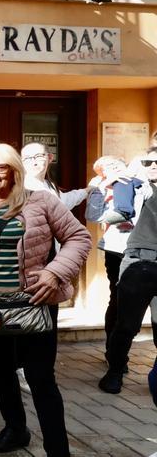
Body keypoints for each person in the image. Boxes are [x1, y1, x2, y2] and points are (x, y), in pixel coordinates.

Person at [0, 144, 91, 457]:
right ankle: (16, 430)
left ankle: (57, 448)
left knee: (40, 377)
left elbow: (78, 237)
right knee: (2, 372)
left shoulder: (41, 201)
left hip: (36, 302)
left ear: (14, 170)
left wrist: (54, 272)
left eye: (0, 166)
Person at [100, 148, 157, 394]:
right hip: (138, 262)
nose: (154, 165)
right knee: (127, 325)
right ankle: (115, 371)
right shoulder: (135, 186)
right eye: (148, 161)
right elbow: (120, 209)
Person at [85, 155, 137, 363]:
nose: (113, 169)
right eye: (105, 167)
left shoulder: (139, 182)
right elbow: (93, 216)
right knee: (118, 298)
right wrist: (101, 187)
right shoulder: (101, 186)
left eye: (116, 164)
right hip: (116, 249)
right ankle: (113, 352)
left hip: (145, 248)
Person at [21, 142, 91, 210]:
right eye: (27, 158)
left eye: (38, 156)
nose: (33, 162)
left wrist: (89, 189)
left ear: (50, 157)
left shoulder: (49, 185)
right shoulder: (19, 188)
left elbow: (65, 202)